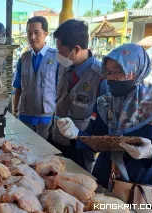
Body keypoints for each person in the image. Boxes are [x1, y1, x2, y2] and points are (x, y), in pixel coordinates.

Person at [57, 43, 152, 188]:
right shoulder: (105, 103)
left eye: (118, 71)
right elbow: (96, 139)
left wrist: (151, 153)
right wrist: (76, 134)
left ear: (136, 71)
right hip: (105, 180)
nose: (110, 78)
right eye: (107, 72)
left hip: (141, 188)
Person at [49, 19, 108, 173]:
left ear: (76, 49)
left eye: (61, 51)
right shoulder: (64, 66)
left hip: (80, 148)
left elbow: (104, 124)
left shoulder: (101, 77)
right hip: (56, 138)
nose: (58, 55)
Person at [13, 16, 59, 140]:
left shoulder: (56, 58)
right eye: (29, 33)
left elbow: (62, 91)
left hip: (47, 116)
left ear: (45, 33)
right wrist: (15, 112)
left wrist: (59, 117)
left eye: (36, 33)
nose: (32, 37)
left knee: (46, 153)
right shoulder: (24, 58)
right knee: (24, 150)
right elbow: (18, 88)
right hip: (25, 115)